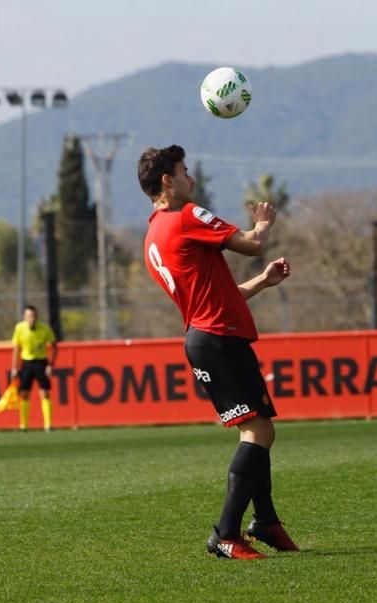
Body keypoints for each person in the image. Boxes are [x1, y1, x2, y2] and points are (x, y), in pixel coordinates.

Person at [137, 144, 299, 560]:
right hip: (219, 339)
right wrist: (262, 224)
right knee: (258, 432)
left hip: (204, 336)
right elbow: (250, 243)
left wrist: (261, 283)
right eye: (185, 171)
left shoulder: (153, 236)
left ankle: (265, 520)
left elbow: (213, 298)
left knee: (260, 428)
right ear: (168, 181)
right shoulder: (188, 216)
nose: (192, 178)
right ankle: (225, 534)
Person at [10, 305, 58, 432]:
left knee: (45, 393)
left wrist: (50, 365)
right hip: (26, 363)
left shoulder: (44, 329)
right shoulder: (19, 328)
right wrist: (14, 367)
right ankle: (23, 425)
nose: (32, 318)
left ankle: (48, 425)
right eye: (29, 316)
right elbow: (16, 348)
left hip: (41, 362)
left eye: (34, 316)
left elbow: (54, 346)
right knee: (24, 393)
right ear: (24, 317)